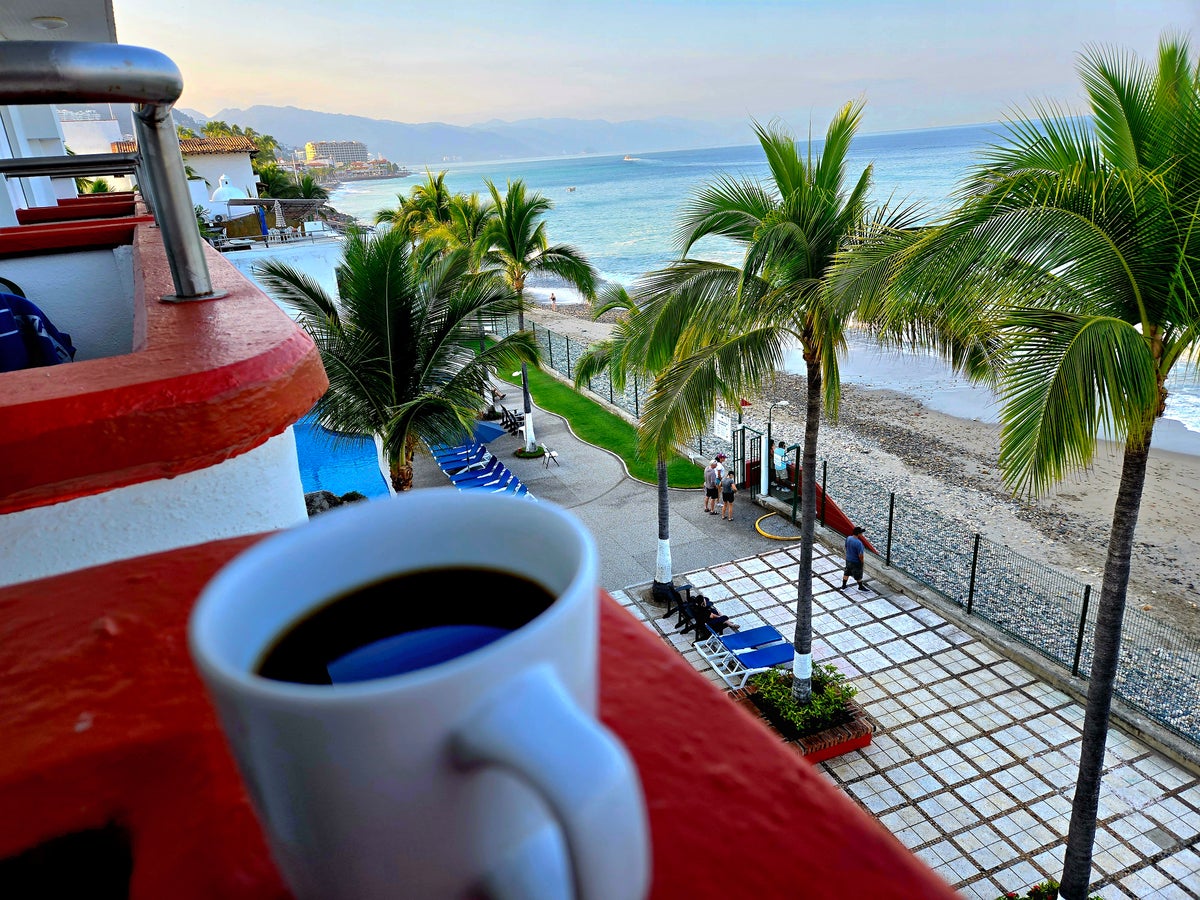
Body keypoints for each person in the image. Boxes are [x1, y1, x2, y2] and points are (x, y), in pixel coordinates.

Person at [841, 526, 867, 591]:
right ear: (858, 534)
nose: (862, 534)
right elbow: (860, 555)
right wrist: (862, 562)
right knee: (858, 575)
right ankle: (860, 587)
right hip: (856, 562)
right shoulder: (859, 543)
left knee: (846, 572)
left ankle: (843, 586)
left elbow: (846, 546)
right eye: (861, 533)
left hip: (848, 559)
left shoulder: (848, 538)